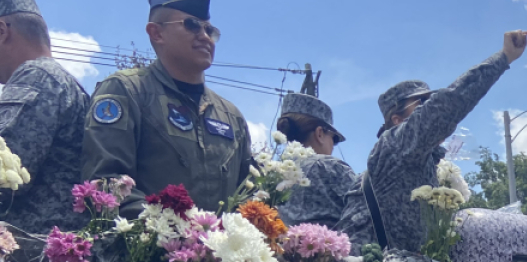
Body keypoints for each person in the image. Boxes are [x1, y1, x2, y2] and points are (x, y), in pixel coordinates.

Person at [340, 30, 527, 253]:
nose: (428, 108)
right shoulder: (395, 145)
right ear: (397, 120)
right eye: (421, 104)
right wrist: (504, 57)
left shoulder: (426, 161)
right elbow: (449, 103)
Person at [82, 0, 254, 217]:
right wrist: (175, 233)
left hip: (218, 250)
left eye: (209, 29)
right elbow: (106, 183)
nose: (204, 36)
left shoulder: (231, 116)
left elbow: (250, 197)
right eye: (192, 25)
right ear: (157, 33)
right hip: (143, 247)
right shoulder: (128, 91)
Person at [0, 0, 90, 235]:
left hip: (28, 256)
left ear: (2, 32)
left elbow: (7, 178)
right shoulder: (62, 81)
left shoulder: (37, 76)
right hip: (51, 253)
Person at [274, 92, 355, 228]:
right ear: (320, 133)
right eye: (334, 139)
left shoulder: (272, 175)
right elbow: (371, 209)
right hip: (329, 249)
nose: (333, 147)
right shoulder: (330, 168)